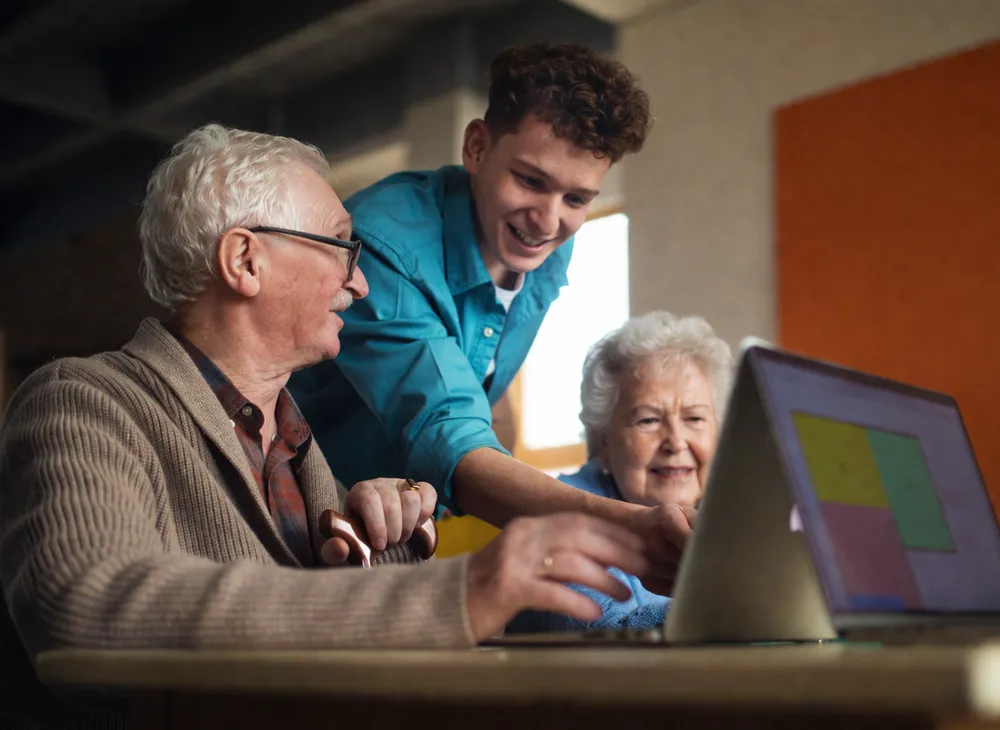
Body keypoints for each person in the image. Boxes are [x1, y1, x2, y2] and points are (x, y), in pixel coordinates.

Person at [0, 124, 649, 730]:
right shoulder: (83, 403)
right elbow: (85, 604)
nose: (360, 283)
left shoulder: (299, 448)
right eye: (342, 246)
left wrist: (389, 540)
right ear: (246, 263)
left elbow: (328, 628)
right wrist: (455, 592)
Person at [288, 43, 692, 593]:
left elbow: (472, 375)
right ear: (477, 147)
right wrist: (624, 527)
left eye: (577, 198)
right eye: (530, 180)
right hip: (294, 522)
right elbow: (449, 433)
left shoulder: (544, 243)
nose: (548, 220)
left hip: (396, 531)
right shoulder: (385, 244)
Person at [508, 312, 733, 633]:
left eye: (694, 419)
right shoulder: (561, 517)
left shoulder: (723, 521)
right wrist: (745, 605)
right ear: (602, 443)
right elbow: (606, 635)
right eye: (648, 420)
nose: (676, 442)